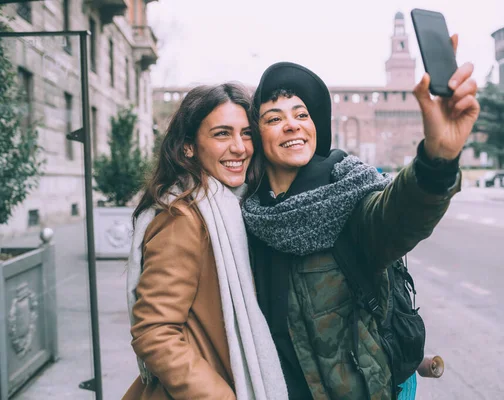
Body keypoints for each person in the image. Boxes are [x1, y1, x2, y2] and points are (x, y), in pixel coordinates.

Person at [242, 35, 479, 400]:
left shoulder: (350, 198)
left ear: (315, 127)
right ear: (257, 136)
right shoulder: (247, 215)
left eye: (302, 114)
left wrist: (437, 161)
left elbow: (398, 216)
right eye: (275, 118)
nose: (292, 125)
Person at [123, 83, 288, 400]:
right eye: (222, 134)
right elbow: (154, 332)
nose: (240, 147)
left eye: (246, 133)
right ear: (189, 147)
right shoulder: (182, 219)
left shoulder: (234, 208)